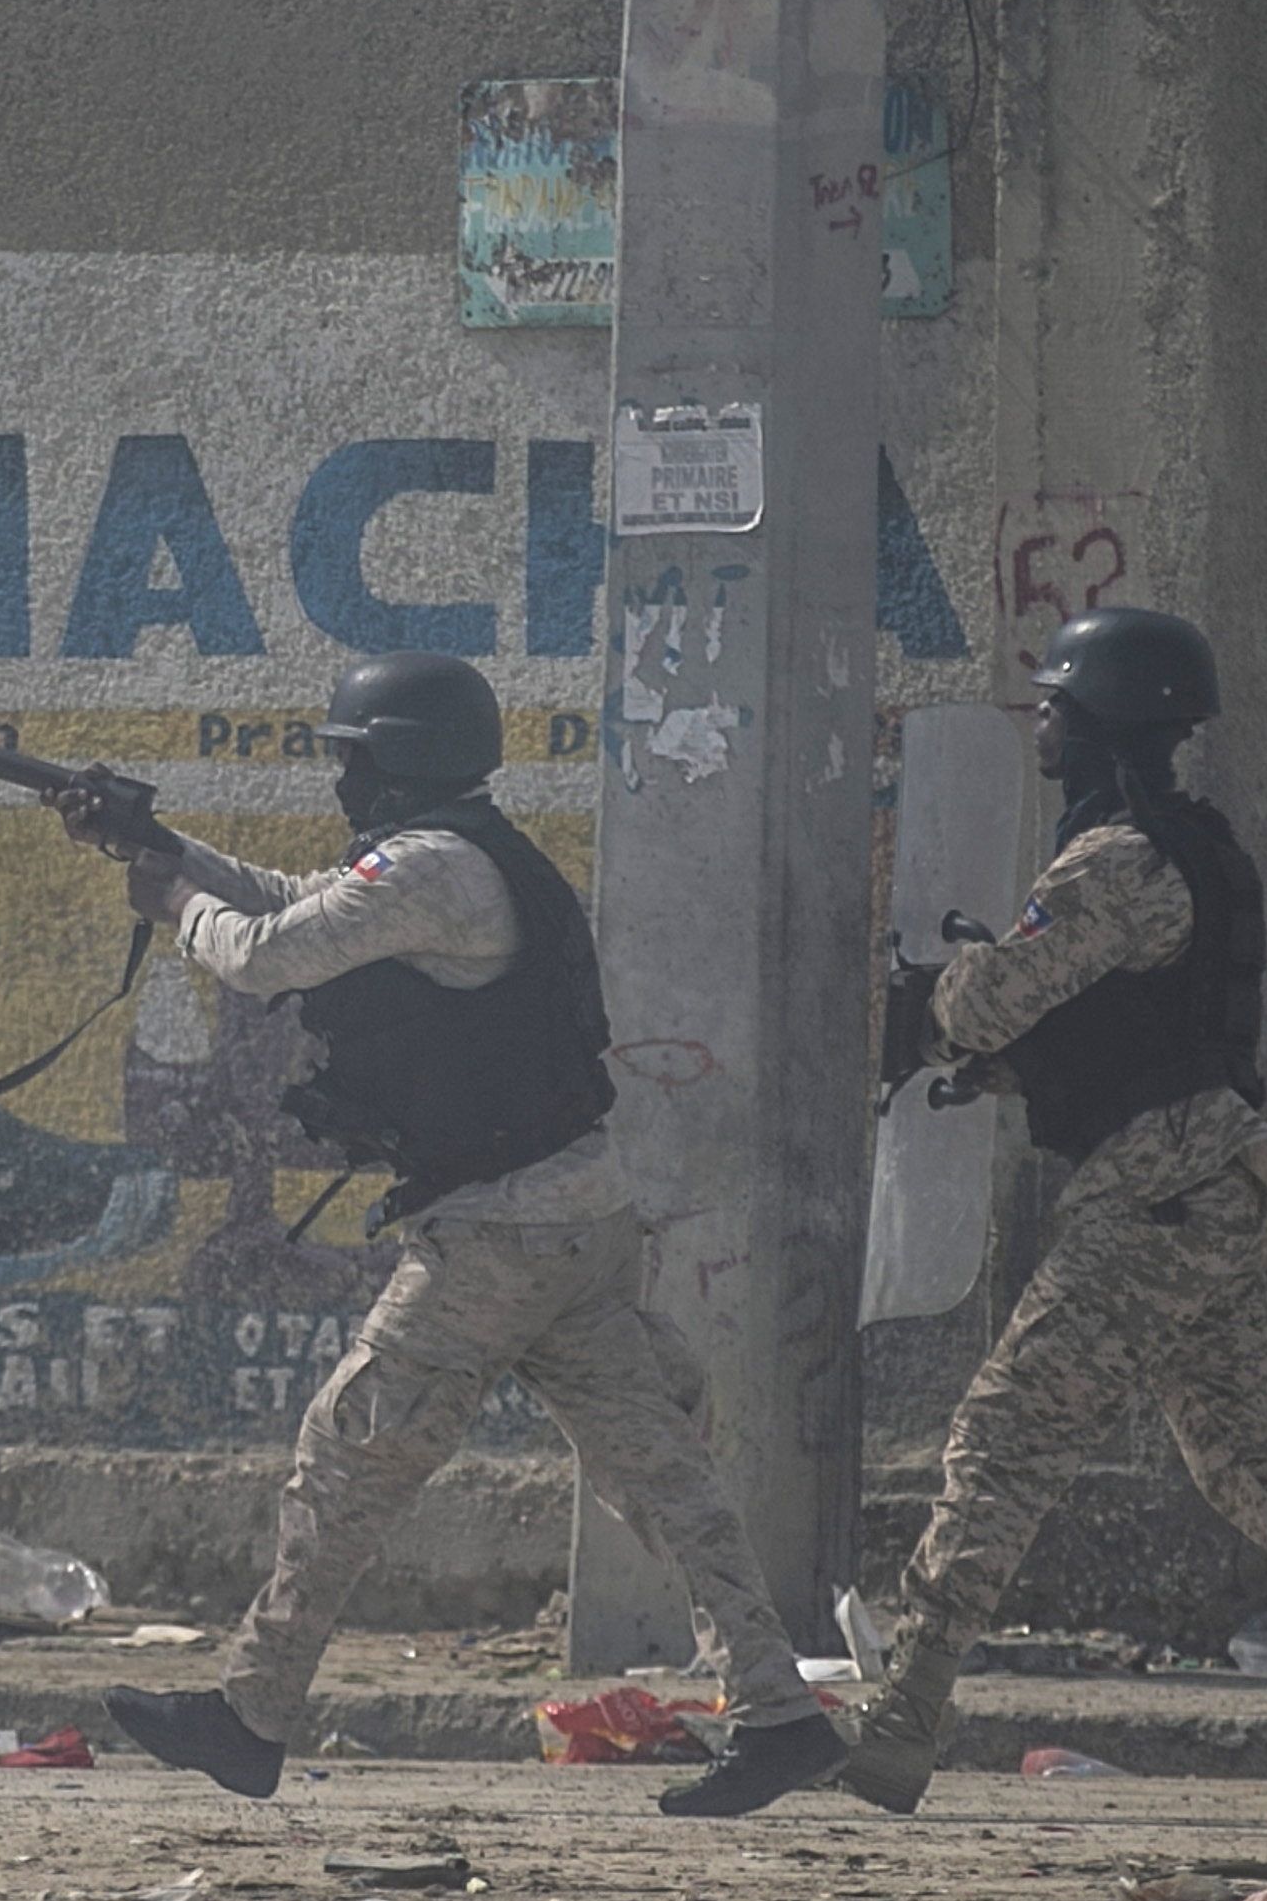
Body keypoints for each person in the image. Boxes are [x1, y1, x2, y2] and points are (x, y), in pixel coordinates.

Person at [80, 652, 853, 1818]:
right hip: (571, 1215)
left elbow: (269, 952)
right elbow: (297, 895)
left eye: (350, 758)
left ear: (394, 758)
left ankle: (247, 1717)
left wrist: (176, 905)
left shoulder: (433, 869)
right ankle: (781, 1714)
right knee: (663, 1478)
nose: (340, 781)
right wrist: (167, 847)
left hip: (496, 1236)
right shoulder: (452, 854)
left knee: (347, 1456)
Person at [840, 609, 1267, 1823]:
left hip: (1151, 1202)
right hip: (1206, 1190)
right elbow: (1119, 1033)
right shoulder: (1186, 848)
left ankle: (898, 1730)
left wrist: (920, 1004)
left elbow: (993, 1000)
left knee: (1000, 1445)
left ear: (1100, 719)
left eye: (1055, 704)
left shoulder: (1115, 862)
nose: (1040, 722)